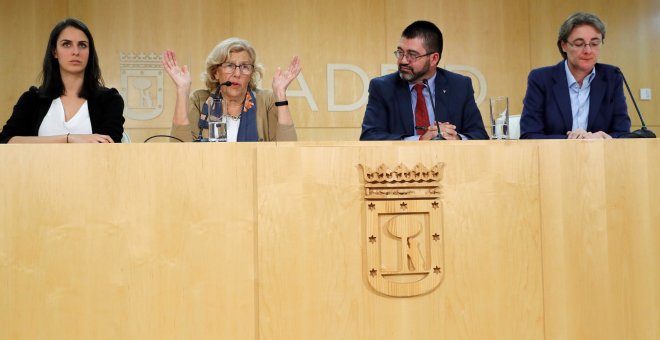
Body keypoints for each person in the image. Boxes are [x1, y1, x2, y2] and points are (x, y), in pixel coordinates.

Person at [0, 18, 124, 143]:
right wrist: (68, 139)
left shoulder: (110, 100)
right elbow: (5, 141)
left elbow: (109, 146)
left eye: (82, 45)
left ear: (89, 52)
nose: (75, 52)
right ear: (54, 52)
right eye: (66, 44)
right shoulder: (32, 99)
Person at [360, 20, 488, 141]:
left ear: (433, 59)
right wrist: (420, 140)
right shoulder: (382, 87)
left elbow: (479, 135)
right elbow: (369, 136)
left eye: (412, 55)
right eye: (400, 52)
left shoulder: (459, 86)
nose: (403, 61)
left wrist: (456, 138)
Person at [163, 38, 300, 142]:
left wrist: (281, 94)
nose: (237, 74)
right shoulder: (201, 100)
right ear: (216, 72)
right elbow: (179, 150)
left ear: (251, 73)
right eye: (229, 66)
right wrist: (182, 90)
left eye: (245, 67)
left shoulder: (266, 101)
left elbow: (287, 150)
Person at [520, 12, 631, 139]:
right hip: (554, 157)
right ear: (564, 45)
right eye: (579, 44)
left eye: (595, 44)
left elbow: (623, 132)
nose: (588, 51)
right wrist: (573, 141)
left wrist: (604, 138)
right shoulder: (541, 79)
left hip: (601, 156)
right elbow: (529, 135)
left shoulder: (613, 77)